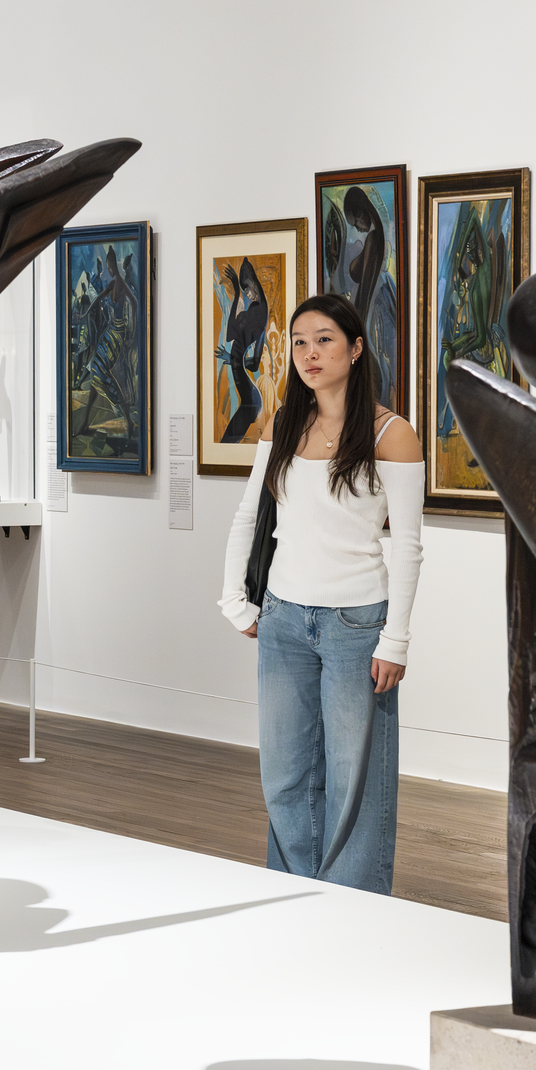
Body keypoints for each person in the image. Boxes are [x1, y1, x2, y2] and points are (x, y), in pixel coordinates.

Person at [217, 293, 423, 894]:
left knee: (355, 777)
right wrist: (235, 597)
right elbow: (250, 513)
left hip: (357, 625)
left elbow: (407, 545)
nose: (310, 353)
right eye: (301, 342)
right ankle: (292, 894)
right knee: (284, 772)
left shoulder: (392, 434)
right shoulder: (281, 423)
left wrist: (397, 639)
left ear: (356, 349)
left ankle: (353, 907)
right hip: (283, 618)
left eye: (325, 340)